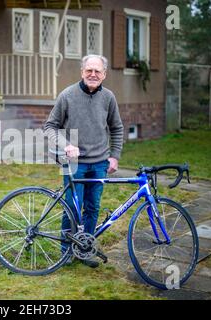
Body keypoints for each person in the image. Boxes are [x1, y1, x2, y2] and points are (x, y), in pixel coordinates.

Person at [43, 54, 124, 268]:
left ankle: (84, 249)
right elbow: (50, 127)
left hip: (99, 163)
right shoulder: (67, 95)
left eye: (98, 71)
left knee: (92, 206)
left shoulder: (108, 97)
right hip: (73, 162)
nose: (93, 74)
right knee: (71, 207)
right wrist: (65, 145)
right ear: (82, 72)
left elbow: (116, 128)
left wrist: (114, 155)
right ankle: (65, 252)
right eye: (89, 70)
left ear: (104, 74)